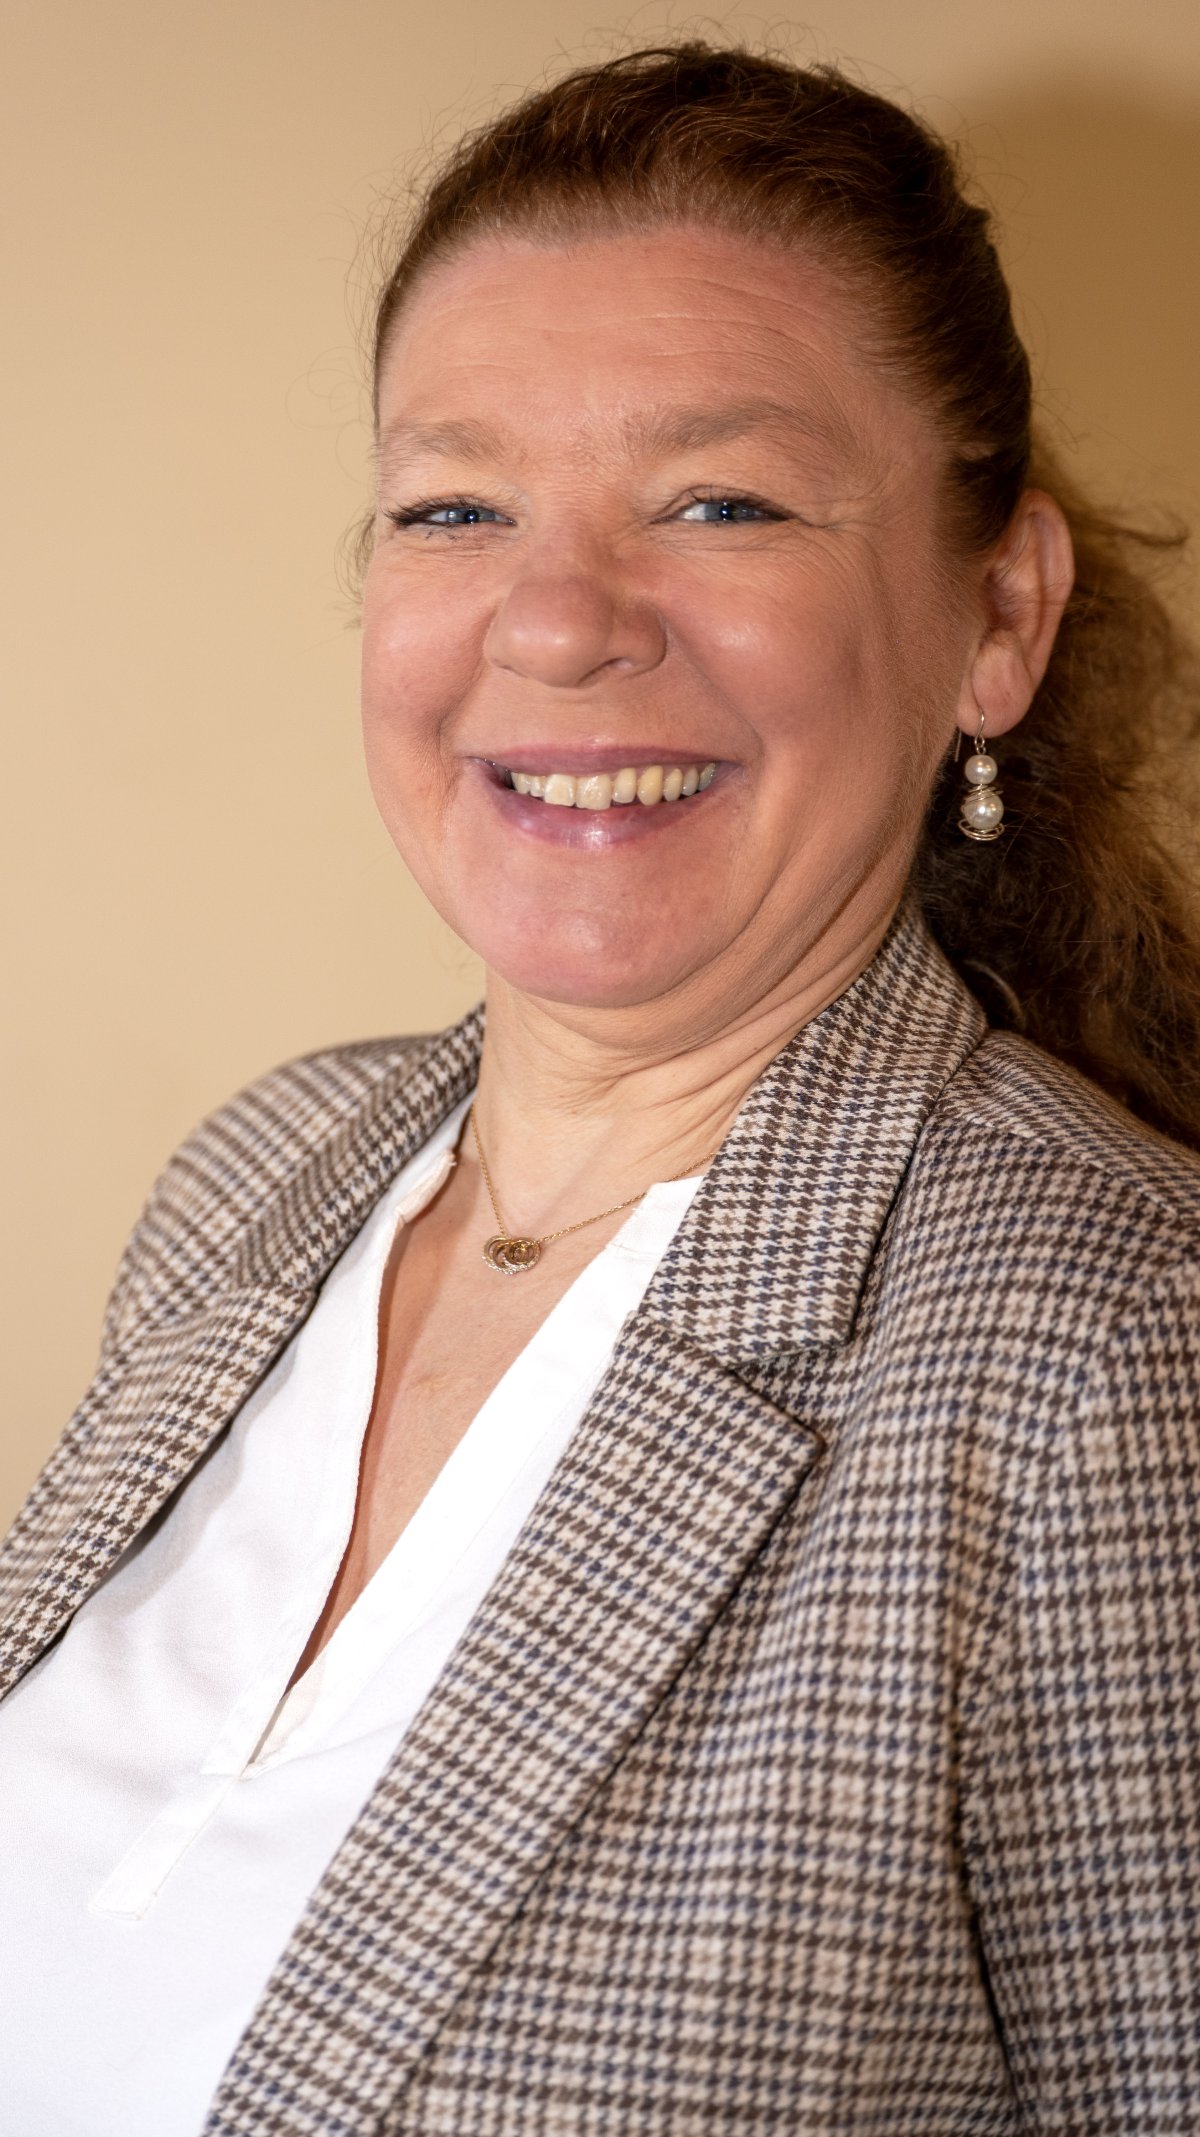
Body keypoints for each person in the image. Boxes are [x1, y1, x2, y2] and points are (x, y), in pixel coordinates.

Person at [1, 39, 1198, 2137]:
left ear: (997, 615)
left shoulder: (1112, 1348)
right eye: (455, 507)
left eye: (719, 503)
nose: (554, 624)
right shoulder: (261, 1176)